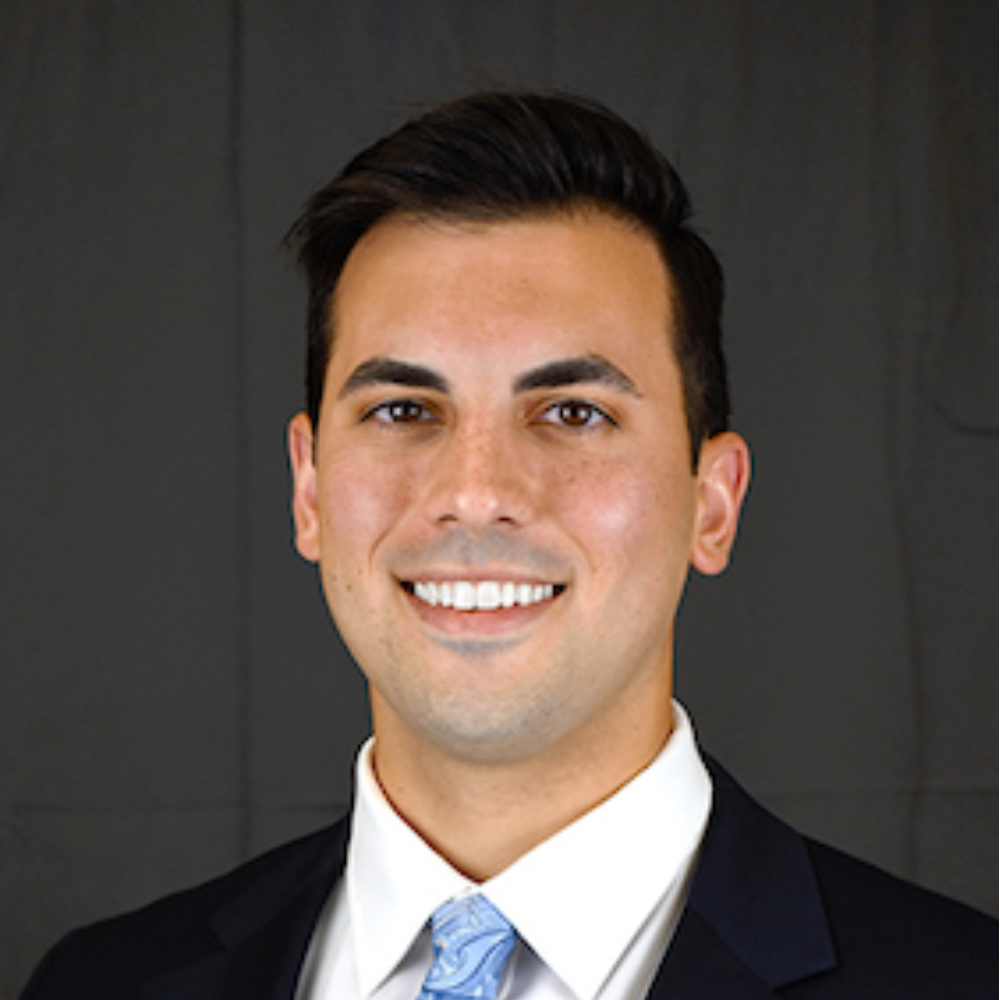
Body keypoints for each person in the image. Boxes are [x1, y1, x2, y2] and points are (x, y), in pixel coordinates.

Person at [21, 91, 997, 1000]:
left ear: (713, 502)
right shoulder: (102, 982)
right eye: (403, 408)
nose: (476, 492)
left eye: (571, 411)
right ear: (309, 487)